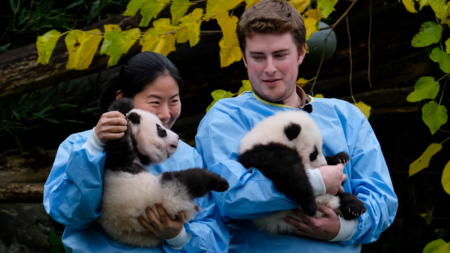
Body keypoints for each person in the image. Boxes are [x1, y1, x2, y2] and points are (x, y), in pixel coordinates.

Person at [195, 0, 398, 252]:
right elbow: (231, 197)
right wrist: (315, 182)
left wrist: (342, 229)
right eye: (258, 57)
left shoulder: (346, 116)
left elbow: (381, 198)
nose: (269, 69)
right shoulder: (225, 118)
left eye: (280, 55)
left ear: (302, 52)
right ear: (244, 58)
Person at [44, 52, 229, 253]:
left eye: (174, 101)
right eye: (155, 102)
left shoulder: (187, 156)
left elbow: (212, 229)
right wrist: (94, 148)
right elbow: (68, 214)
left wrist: (179, 237)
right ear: (124, 100)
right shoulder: (80, 145)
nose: (166, 113)